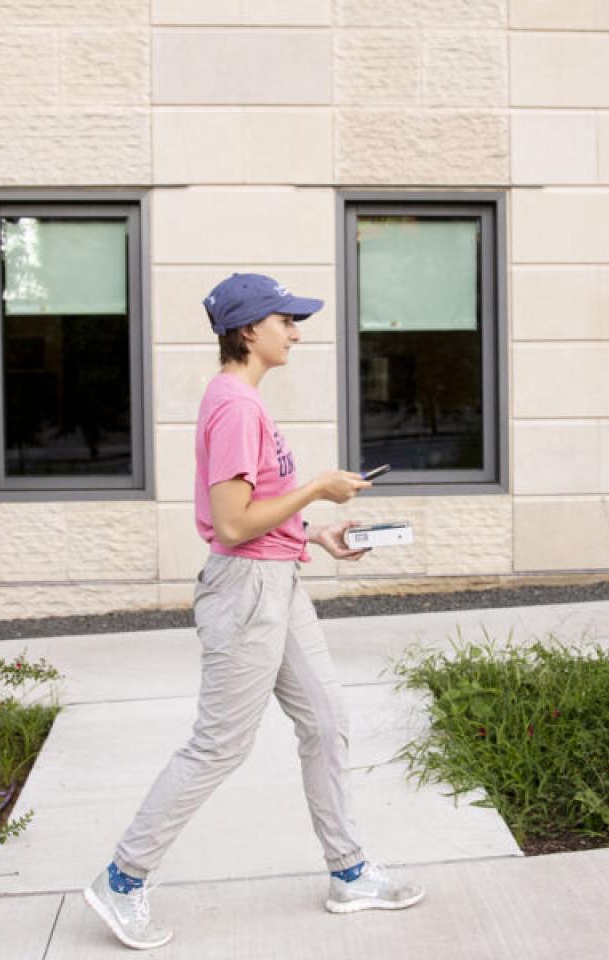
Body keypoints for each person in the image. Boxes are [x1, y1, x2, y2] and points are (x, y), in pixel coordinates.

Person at [84, 273, 425, 950]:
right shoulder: (237, 406)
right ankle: (122, 880)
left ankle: (350, 872)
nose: (295, 332)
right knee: (219, 745)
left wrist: (315, 533)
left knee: (327, 719)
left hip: (277, 583)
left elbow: (256, 517)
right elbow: (234, 523)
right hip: (247, 592)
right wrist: (318, 490)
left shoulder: (239, 399)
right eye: (284, 320)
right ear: (248, 331)